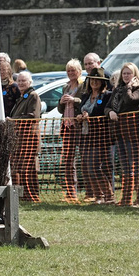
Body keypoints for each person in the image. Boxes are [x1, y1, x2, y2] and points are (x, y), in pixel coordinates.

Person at [105, 62, 139, 207]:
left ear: (135, 75)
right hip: (120, 131)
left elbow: (131, 100)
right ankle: (126, 198)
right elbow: (108, 106)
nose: (126, 76)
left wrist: (129, 86)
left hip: (135, 132)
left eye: (129, 73)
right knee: (125, 165)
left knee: (136, 164)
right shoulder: (118, 89)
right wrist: (110, 111)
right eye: (124, 73)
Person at [77, 68, 114, 204]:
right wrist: (80, 117)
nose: (94, 82)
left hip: (100, 136)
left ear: (102, 82)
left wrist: (89, 117)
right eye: (92, 80)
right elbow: (79, 109)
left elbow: (104, 113)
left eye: (97, 80)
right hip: (85, 135)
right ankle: (98, 196)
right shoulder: (85, 96)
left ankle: (109, 195)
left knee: (95, 166)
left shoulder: (107, 96)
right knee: (87, 166)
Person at [9, 71, 41, 202]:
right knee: (20, 167)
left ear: (30, 82)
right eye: (19, 81)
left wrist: (13, 120)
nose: (21, 83)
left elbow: (33, 116)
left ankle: (32, 195)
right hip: (20, 138)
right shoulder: (22, 97)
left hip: (29, 138)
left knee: (29, 167)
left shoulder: (33, 96)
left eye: (24, 81)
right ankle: (23, 195)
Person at [56, 59, 84, 202]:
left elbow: (85, 101)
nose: (71, 73)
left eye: (73, 70)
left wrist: (75, 100)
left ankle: (91, 193)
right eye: (68, 70)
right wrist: (61, 102)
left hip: (79, 126)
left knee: (85, 160)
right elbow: (60, 109)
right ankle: (70, 192)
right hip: (67, 126)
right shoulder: (65, 87)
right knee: (67, 161)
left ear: (79, 71)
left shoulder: (83, 85)